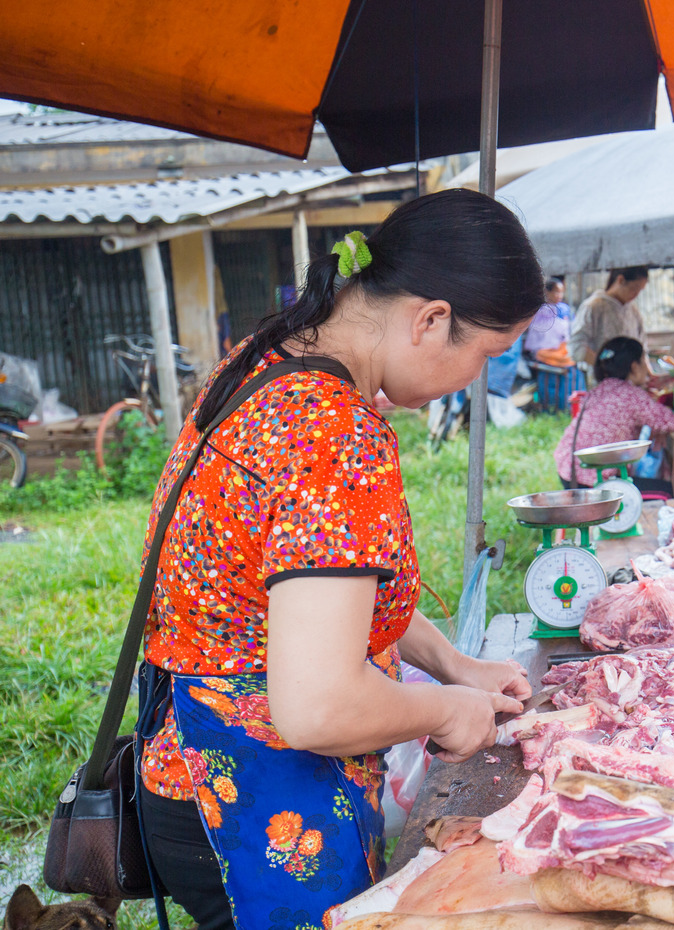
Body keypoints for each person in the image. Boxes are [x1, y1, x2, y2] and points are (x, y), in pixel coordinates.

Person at [134, 190, 542, 930]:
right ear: (431, 320)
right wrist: (449, 710)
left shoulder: (269, 364)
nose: (479, 377)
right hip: (256, 807)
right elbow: (319, 705)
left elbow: (321, 590)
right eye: (488, 354)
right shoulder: (332, 431)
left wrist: (457, 665)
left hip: (191, 771)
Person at [554, 336, 674, 496]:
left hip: (569, 471)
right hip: (592, 480)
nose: (647, 369)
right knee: (668, 492)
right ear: (634, 366)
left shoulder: (601, 389)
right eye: (644, 361)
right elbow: (669, 421)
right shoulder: (631, 395)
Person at [569, 266, 649, 366]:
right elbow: (576, 347)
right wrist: (605, 368)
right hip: (602, 379)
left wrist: (648, 374)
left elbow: (642, 347)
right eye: (634, 288)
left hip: (630, 379)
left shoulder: (633, 310)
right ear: (621, 280)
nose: (636, 294)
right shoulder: (593, 306)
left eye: (640, 290)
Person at [524, 276, 573, 358]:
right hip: (540, 349)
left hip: (559, 349)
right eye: (556, 292)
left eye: (561, 292)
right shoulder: (539, 310)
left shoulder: (564, 309)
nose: (559, 295)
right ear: (547, 292)